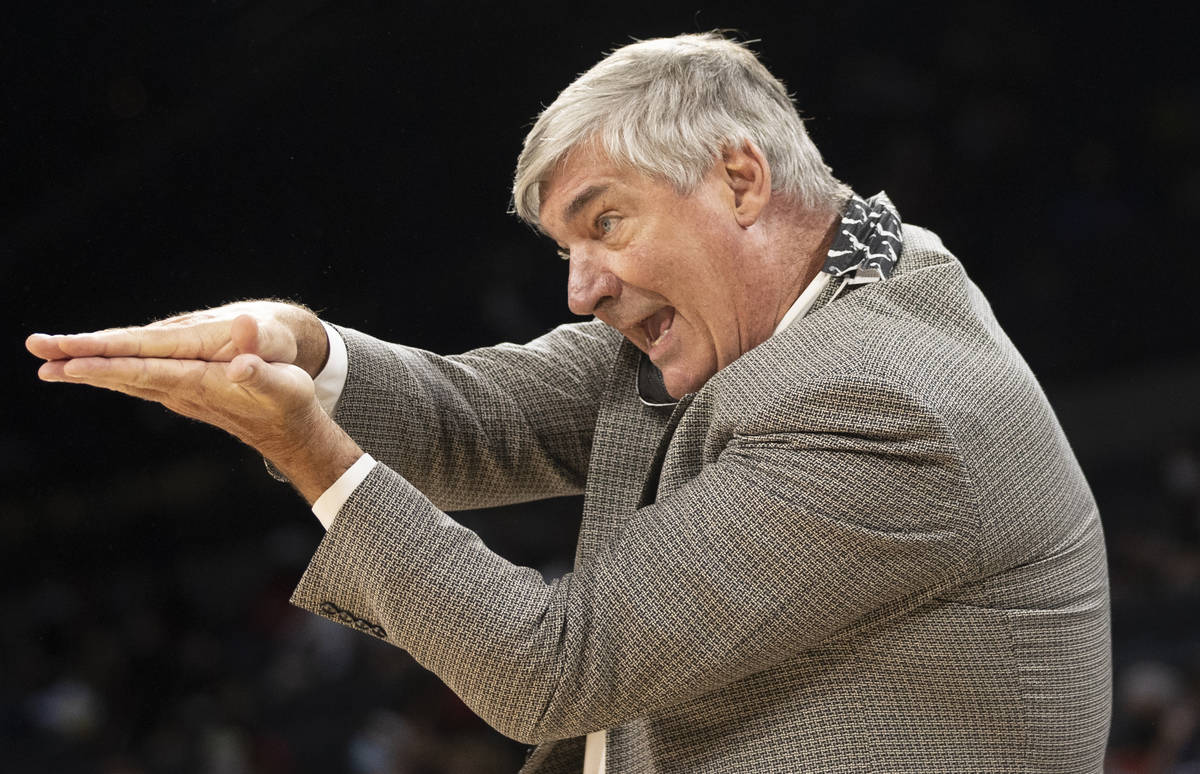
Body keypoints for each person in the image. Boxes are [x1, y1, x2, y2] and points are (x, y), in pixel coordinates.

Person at [26, 33, 1111, 773]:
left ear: (740, 180)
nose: (581, 288)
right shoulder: (825, 278)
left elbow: (554, 668)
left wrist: (313, 457)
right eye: (564, 246)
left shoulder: (884, 402)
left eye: (605, 224)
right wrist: (300, 348)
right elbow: (478, 420)